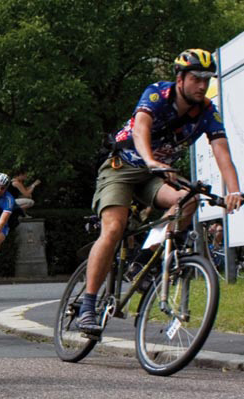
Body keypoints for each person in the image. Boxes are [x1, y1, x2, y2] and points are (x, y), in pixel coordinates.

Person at [77, 49, 242, 336]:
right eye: (195, 78)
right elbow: (141, 129)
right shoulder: (156, 94)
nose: (202, 85)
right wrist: (151, 159)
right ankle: (88, 306)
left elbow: (222, 153)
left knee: (187, 201)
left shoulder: (207, 112)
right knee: (114, 228)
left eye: (206, 79)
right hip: (123, 168)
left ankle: (142, 261)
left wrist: (235, 191)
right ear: (179, 78)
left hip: (156, 176)